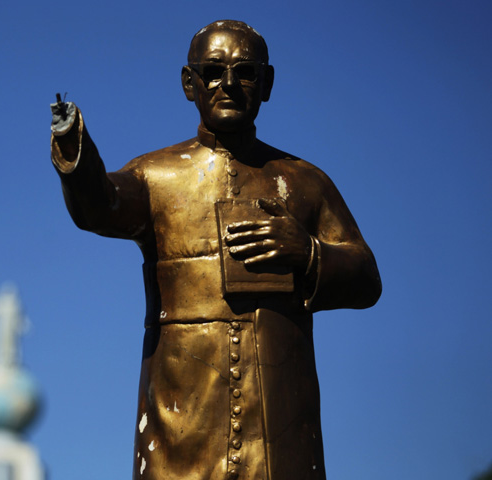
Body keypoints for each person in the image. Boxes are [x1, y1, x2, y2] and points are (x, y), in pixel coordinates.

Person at [50, 20, 380, 480]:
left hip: (280, 425)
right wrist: (76, 152)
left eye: (244, 72)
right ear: (190, 83)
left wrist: (308, 253)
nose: (228, 84)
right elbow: (100, 205)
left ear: (266, 84)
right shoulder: (156, 175)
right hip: (182, 420)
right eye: (212, 71)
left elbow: (367, 276)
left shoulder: (306, 182)